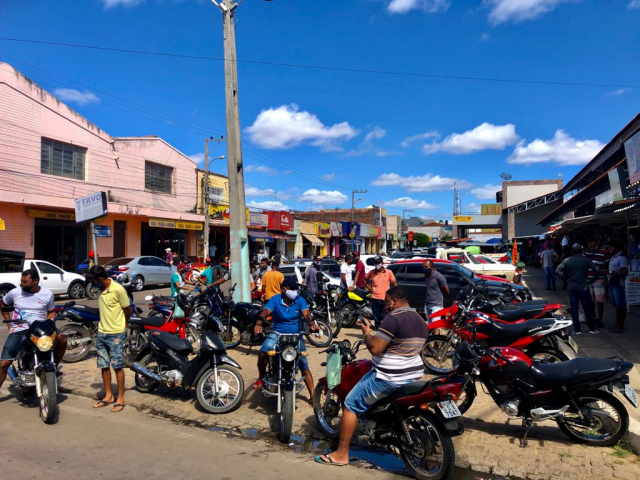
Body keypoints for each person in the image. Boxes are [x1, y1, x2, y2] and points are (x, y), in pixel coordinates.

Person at [315, 286, 428, 466]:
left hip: (389, 376)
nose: (386, 306)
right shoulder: (421, 320)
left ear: (394, 301)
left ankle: (341, 454)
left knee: (351, 403)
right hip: (413, 374)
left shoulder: (393, 318)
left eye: (386, 302)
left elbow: (375, 348)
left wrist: (367, 333)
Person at [0, 269, 67, 393]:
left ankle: (54, 368)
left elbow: (51, 310)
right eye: (21, 281)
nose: (22, 284)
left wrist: (50, 322)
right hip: (20, 328)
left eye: (25, 282)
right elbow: (3, 305)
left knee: (62, 338)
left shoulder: (47, 294)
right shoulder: (14, 292)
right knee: (4, 363)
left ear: (36, 281)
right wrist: (9, 321)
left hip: (40, 329)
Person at [254, 277, 316, 401]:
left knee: (304, 364)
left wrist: (311, 323)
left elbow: (306, 313)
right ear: (284, 289)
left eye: (296, 288)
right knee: (263, 353)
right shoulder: (275, 300)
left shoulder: (300, 300)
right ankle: (261, 377)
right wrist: (259, 323)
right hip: (276, 334)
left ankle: (313, 395)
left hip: (296, 335)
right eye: (293, 288)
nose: (295, 291)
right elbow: (266, 311)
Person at [87, 265, 131, 413]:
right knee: (104, 365)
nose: (92, 284)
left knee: (117, 366)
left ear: (100, 279)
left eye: (93, 281)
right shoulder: (101, 291)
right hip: (102, 333)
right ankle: (108, 396)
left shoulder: (118, 289)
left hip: (116, 334)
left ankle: (121, 398)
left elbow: (127, 308)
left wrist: (124, 324)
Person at [556, 244, 600, 335]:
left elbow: (557, 271)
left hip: (572, 287)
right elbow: (597, 271)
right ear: (581, 251)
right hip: (583, 287)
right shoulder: (585, 260)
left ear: (571, 251)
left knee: (574, 308)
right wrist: (591, 281)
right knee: (587, 308)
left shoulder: (567, 260)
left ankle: (577, 329)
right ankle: (592, 328)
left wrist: (565, 279)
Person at [365, 256, 397, 329]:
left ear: (382, 263)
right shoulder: (372, 272)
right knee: (377, 319)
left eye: (377, 263)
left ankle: (386, 335)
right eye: (375, 263)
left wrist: (393, 295)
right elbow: (364, 279)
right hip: (374, 299)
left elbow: (395, 284)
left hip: (385, 300)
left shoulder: (389, 272)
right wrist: (369, 288)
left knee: (386, 318)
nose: (376, 265)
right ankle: (378, 335)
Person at [608, 241, 628, 333]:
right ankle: (617, 324)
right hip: (612, 282)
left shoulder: (622, 258)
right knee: (616, 305)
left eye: (609, 247)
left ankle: (620, 326)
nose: (608, 249)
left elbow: (624, 272)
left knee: (620, 305)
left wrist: (611, 272)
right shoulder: (613, 257)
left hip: (618, 283)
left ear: (614, 248)